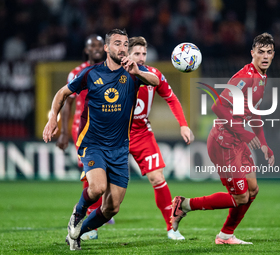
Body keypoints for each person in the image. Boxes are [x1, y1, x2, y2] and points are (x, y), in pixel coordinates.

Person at [43, 28, 159, 251]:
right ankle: (77, 214)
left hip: (119, 147)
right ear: (107, 48)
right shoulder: (91, 73)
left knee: (112, 208)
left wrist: (138, 72)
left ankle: (77, 232)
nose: (122, 48)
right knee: (97, 188)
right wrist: (52, 121)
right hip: (92, 143)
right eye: (117, 43)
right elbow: (62, 94)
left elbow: (155, 81)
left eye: (125, 44)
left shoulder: (134, 73)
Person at [80, 36, 193, 240]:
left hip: (141, 134)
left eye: (144, 54)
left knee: (158, 177)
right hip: (114, 134)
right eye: (136, 54)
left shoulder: (153, 75)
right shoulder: (113, 75)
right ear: (126, 55)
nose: (141, 58)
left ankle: (171, 228)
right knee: (98, 183)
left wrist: (183, 125)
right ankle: (91, 227)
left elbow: (171, 97)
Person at [171, 33, 276, 245]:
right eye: (261, 52)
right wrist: (244, 132)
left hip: (236, 141)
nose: (265, 56)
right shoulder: (244, 77)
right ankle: (183, 204)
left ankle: (226, 235)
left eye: (269, 52)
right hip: (223, 141)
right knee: (240, 197)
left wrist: (263, 143)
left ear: (273, 55)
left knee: (253, 189)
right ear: (252, 53)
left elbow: (253, 113)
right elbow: (217, 106)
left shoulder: (261, 77)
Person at [56, 34, 113, 241]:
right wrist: (63, 132)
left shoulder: (112, 70)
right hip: (84, 129)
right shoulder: (77, 73)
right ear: (86, 50)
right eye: (93, 46)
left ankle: (101, 209)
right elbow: (67, 103)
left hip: (107, 129)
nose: (97, 48)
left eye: (100, 45)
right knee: (90, 172)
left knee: (105, 171)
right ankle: (89, 215)